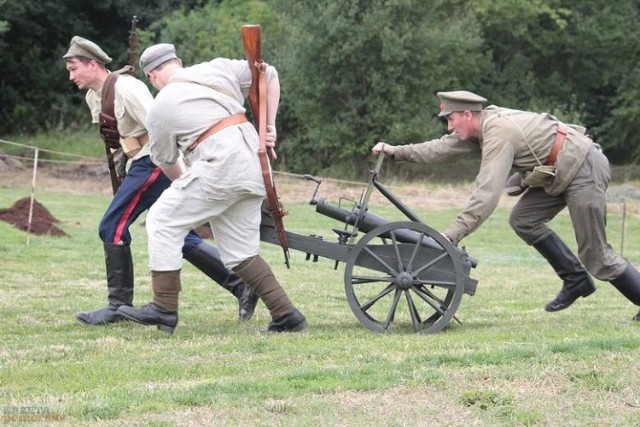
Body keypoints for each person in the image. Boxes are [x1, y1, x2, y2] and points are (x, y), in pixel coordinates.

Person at [372, 90, 640, 322]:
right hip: (558, 170)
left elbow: (487, 192)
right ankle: (576, 279)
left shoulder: (498, 132)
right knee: (523, 219)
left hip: (583, 168)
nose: (448, 127)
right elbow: (439, 149)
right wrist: (397, 151)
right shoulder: (480, 128)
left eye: (450, 119)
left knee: (597, 255)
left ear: (467, 114)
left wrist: (451, 235)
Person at [63, 36, 258, 326]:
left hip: (152, 161)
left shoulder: (127, 87)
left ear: (93, 64)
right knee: (179, 234)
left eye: (74, 68)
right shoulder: (94, 96)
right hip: (137, 163)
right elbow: (119, 140)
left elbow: (161, 123)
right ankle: (241, 285)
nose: (71, 75)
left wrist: (178, 171)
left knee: (111, 226)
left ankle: (118, 306)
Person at [116, 43, 307, 334]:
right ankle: (287, 315)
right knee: (240, 252)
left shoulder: (161, 106)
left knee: (162, 220)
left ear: (151, 77)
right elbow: (269, 74)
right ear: (178, 61)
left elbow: (166, 161)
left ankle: (164, 308)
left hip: (220, 167)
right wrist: (270, 126)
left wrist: (185, 184)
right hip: (255, 167)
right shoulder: (217, 67)